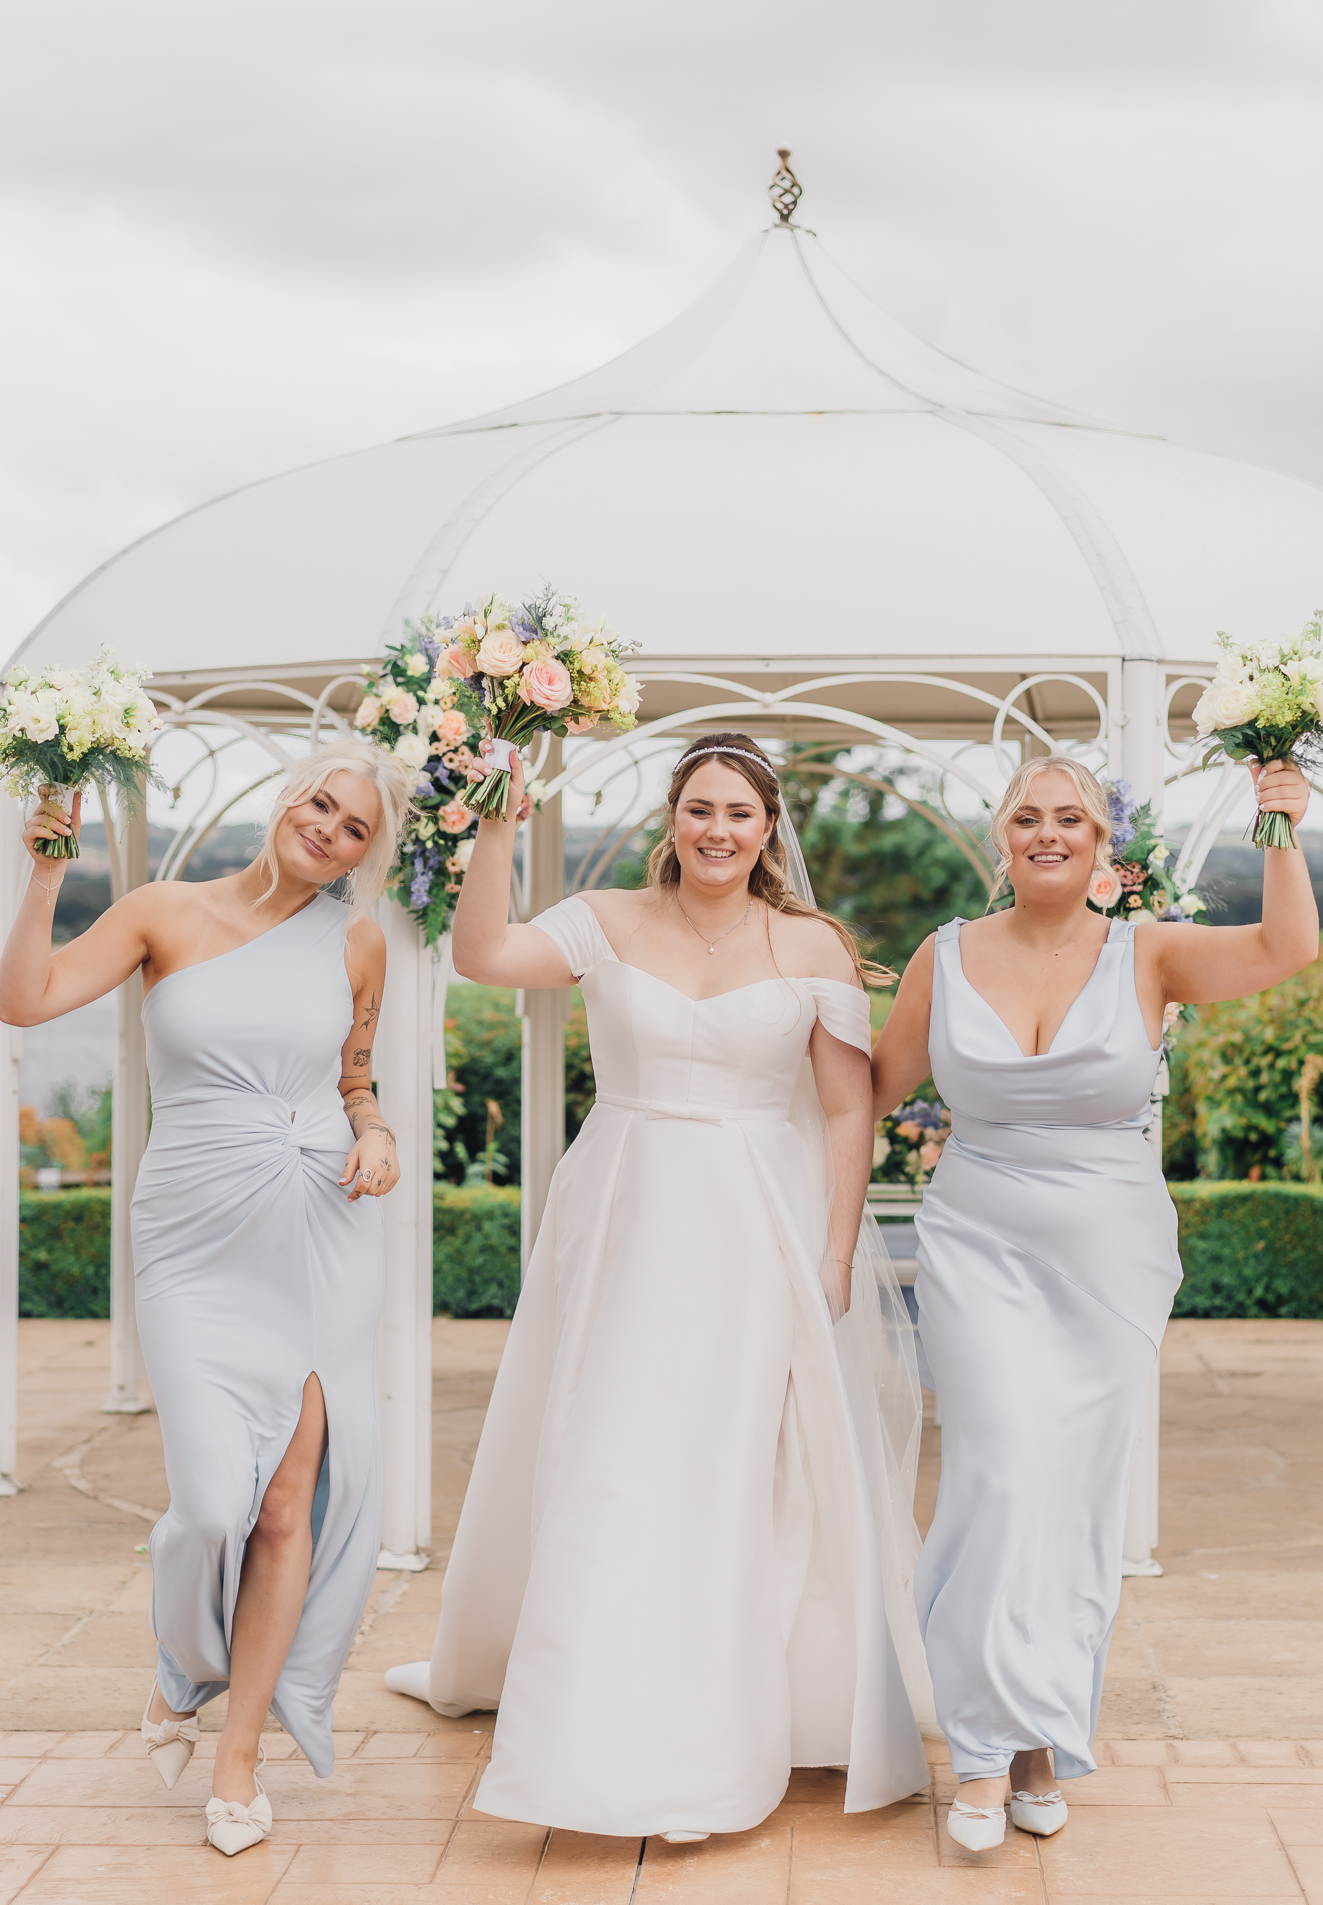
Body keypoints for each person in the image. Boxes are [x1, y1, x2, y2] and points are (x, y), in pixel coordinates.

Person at [385, 731, 932, 1839]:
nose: (718, 829)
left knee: (732, 1454)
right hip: (626, 1211)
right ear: (671, 819)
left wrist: (834, 1249)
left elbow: (844, 1107)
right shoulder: (606, 919)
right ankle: (588, 1717)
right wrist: (497, 825)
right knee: (611, 1446)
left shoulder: (812, 944)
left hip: (754, 1226)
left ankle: (746, 1697)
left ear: (770, 826)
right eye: (699, 809)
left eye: (739, 810)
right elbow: (485, 951)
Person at [871, 752, 1319, 1853]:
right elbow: (868, 1089)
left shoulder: (1149, 950)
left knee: (1071, 1501)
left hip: (1109, 1263)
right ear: (1000, 841)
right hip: (977, 1243)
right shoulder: (944, 955)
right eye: (1026, 815)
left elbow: (1286, 946)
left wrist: (1283, 824)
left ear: (1104, 841)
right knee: (998, 1472)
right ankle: (980, 1751)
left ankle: (1038, 1741)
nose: (1047, 830)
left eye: (1070, 815)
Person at [0, 740, 416, 1857]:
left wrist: (377, 1134)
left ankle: (238, 1756)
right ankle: (180, 1660)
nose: (326, 827)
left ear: (367, 856)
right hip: (191, 1233)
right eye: (320, 802)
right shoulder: (158, 910)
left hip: (322, 1227)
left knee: (288, 1502)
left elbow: (356, 1078)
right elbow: (24, 1000)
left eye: (354, 826)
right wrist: (45, 868)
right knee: (212, 1505)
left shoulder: (359, 940)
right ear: (289, 798)